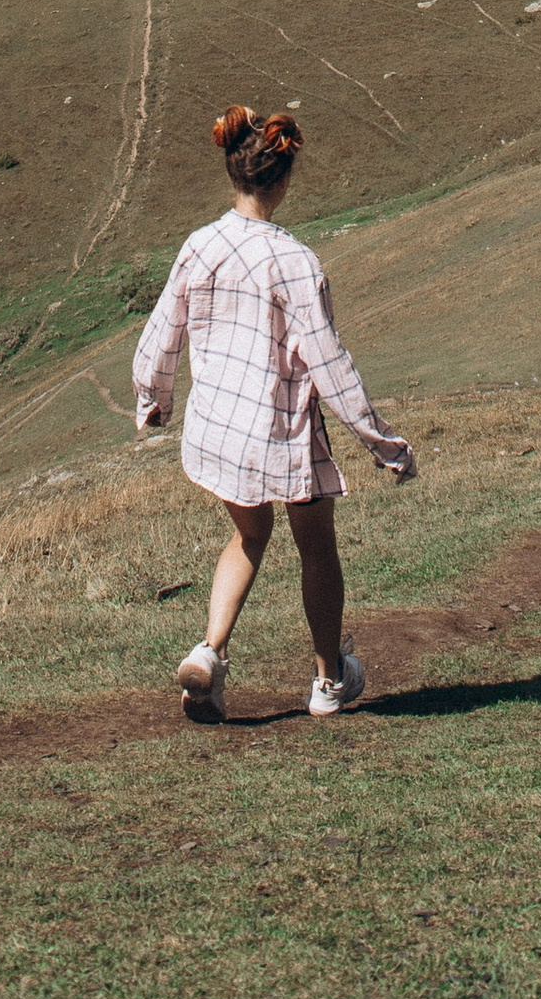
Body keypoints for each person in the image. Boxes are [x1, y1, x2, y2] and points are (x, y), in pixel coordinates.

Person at [132, 103, 416, 722]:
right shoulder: (295, 261)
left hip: (219, 430)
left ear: (234, 171)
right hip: (282, 433)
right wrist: (383, 443)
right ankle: (327, 681)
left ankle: (209, 654)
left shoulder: (199, 245)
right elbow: (330, 366)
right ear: (283, 178)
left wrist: (153, 399)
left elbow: (161, 334)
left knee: (248, 534)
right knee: (317, 549)